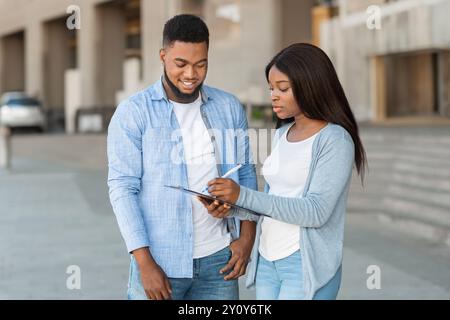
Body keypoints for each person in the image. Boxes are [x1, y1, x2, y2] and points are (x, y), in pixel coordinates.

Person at [199, 43, 367, 300]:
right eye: (271, 88)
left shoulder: (334, 140)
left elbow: (316, 212)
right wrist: (230, 206)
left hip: (303, 264)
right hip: (267, 259)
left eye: (283, 88)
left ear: (310, 84)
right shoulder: (280, 135)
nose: (274, 95)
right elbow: (273, 198)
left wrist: (241, 195)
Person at [107, 14, 257, 300]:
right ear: (163, 56)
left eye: (201, 64)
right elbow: (123, 189)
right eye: (181, 64)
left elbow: (246, 173)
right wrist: (144, 262)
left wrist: (246, 238)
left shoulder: (228, 107)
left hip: (219, 260)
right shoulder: (134, 113)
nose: (191, 74)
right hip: (160, 261)